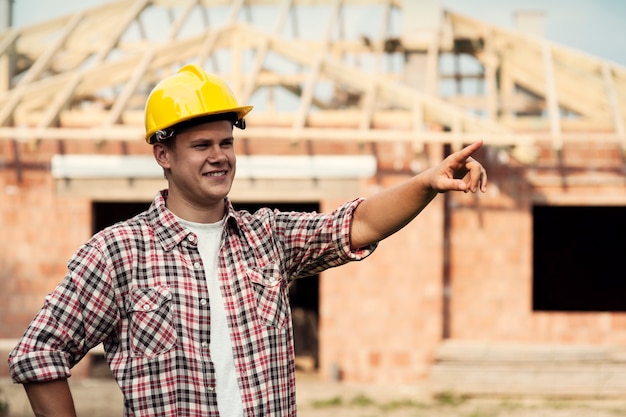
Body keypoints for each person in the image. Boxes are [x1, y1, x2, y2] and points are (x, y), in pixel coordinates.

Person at [8, 63, 487, 417]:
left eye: (226, 143)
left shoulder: (266, 238)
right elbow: (38, 352)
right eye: (201, 145)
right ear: (164, 155)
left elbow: (355, 225)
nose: (219, 157)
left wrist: (427, 182)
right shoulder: (118, 254)